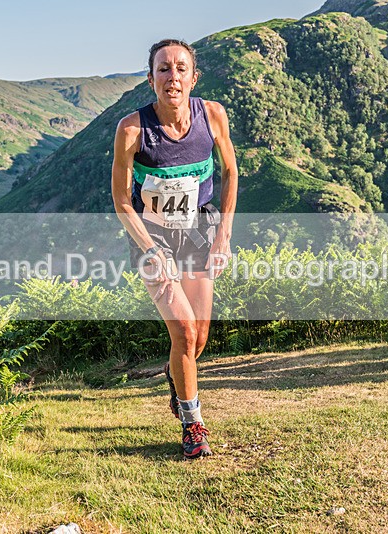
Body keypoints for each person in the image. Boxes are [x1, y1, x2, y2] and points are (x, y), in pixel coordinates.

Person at [111, 38, 238, 459]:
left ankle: (174, 372)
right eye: (163, 69)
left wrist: (224, 233)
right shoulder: (132, 129)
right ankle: (193, 422)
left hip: (201, 231)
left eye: (181, 68)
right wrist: (150, 249)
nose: (173, 76)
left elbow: (231, 170)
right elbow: (122, 201)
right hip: (155, 239)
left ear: (193, 77)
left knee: (198, 335)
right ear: (151, 79)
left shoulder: (212, 115)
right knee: (182, 330)